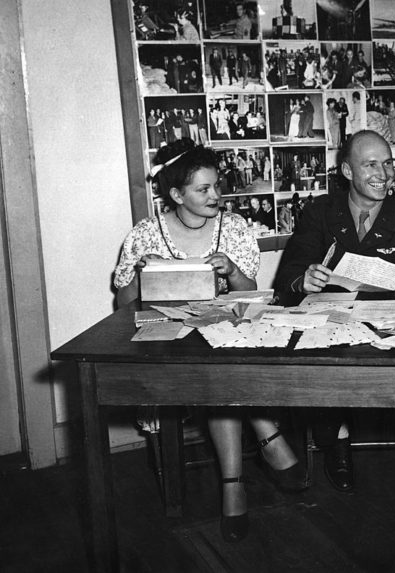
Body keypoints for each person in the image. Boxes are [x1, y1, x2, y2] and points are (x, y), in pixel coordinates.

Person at [113, 139, 308, 543]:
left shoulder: (233, 228)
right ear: (176, 195)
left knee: (221, 367)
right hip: (169, 338)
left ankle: (233, 483)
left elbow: (248, 290)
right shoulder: (146, 234)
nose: (215, 196)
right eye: (203, 190)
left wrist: (232, 269)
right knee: (217, 371)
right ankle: (265, 436)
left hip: (222, 331)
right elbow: (123, 303)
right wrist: (141, 273)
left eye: (216, 186)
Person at [274, 131, 395, 517]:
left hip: (393, 322)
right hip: (337, 319)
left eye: (388, 163)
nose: (383, 173)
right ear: (346, 170)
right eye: (370, 164)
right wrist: (302, 279)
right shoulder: (320, 212)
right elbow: (290, 270)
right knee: (318, 352)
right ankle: (337, 443)